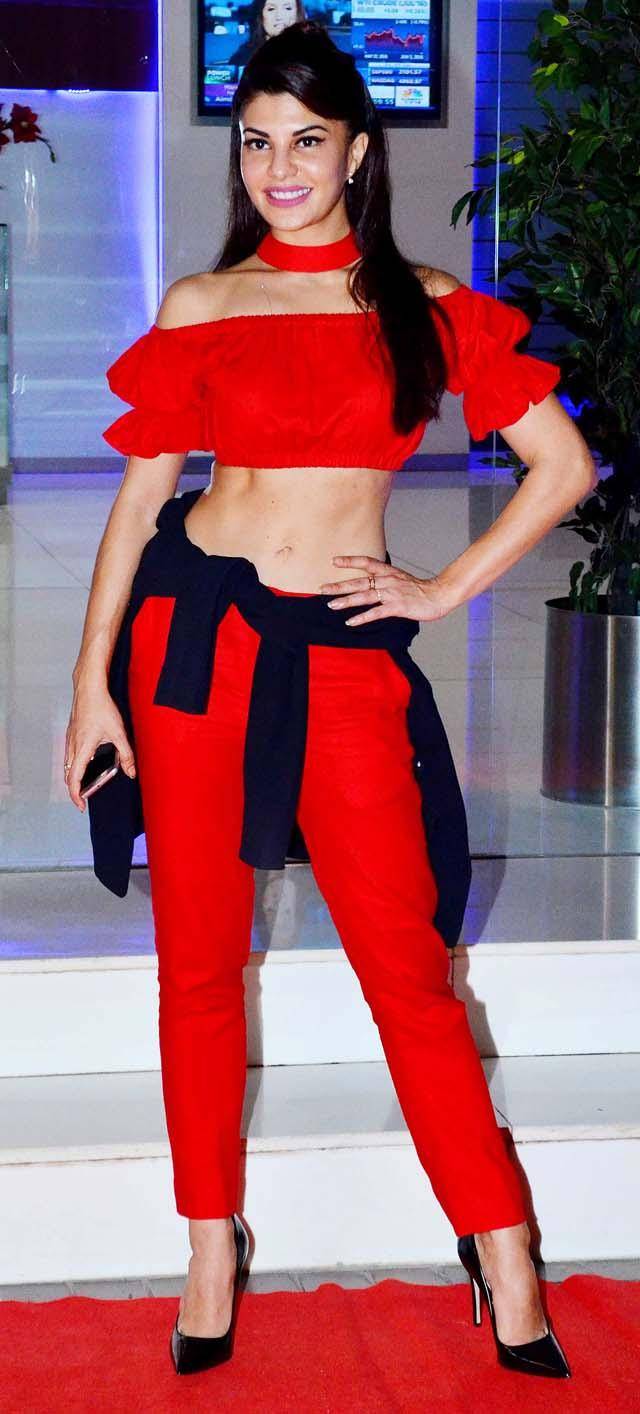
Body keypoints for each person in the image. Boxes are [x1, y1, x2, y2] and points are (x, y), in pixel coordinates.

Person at [65, 19, 596, 1380]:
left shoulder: (425, 302)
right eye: (257, 142)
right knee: (198, 960)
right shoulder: (202, 303)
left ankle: (502, 1246)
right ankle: (209, 1241)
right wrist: (90, 686)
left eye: (308, 140)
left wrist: (440, 587)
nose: (280, 167)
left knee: (406, 965)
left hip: (345, 656)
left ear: (358, 151)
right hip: (192, 648)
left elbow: (562, 466)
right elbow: (138, 506)